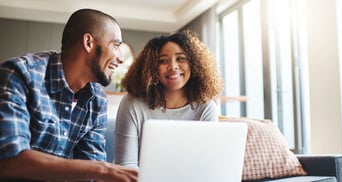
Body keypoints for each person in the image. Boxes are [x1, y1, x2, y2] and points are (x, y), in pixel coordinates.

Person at [0, 9, 138, 182]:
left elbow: (90, 170)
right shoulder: (20, 74)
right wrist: (104, 170)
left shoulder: (97, 100)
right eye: (116, 46)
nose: (120, 58)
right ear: (88, 43)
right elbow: (10, 161)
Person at [114, 30, 224, 167]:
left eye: (181, 58)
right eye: (163, 61)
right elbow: (125, 164)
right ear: (152, 68)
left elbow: (208, 163)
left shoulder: (206, 107)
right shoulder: (132, 104)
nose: (173, 66)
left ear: (194, 64)